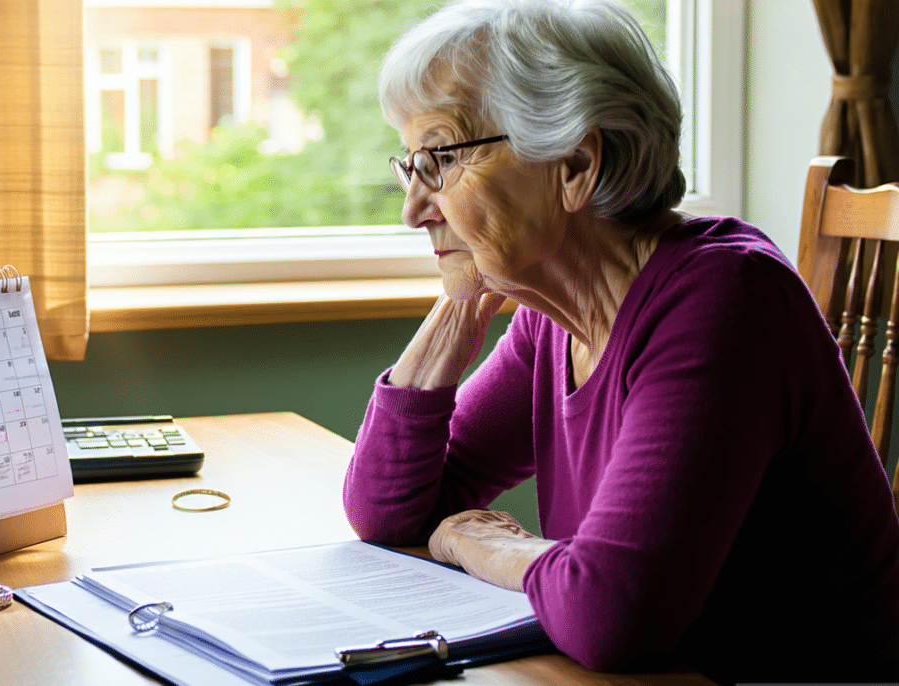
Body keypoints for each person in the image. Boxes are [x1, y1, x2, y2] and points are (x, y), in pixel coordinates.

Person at [342, 0, 899, 682]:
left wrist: (491, 548)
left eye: (442, 159)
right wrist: (452, 321)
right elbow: (389, 515)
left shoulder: (726, 297)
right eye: (412, 166)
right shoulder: (554, 316)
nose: (412, 211)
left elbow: (610, 615)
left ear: (576, 164)